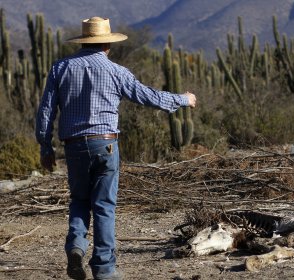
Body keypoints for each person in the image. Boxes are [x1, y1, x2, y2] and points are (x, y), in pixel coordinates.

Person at [35, 17, 196, 280]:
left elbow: (46, 111)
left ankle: (76, 247)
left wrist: (45, 146)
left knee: (79, 201)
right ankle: (104, 268)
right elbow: (150, 96)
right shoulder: (117, 72)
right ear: (107, 43)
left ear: (83, 41)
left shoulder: (60, 68)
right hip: (106, 144)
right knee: (104, 207)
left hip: (74, 145)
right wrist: (183, 99)